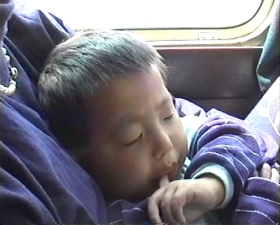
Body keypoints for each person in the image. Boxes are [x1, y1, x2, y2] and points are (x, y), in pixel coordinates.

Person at [37, 29, 278, 224]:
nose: (165, 142)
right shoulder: (121, 217)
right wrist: (261, 206)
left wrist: (212, 185)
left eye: (167, 115)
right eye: (133, 137)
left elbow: (239, 135)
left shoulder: (187, 132)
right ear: (80, 160)